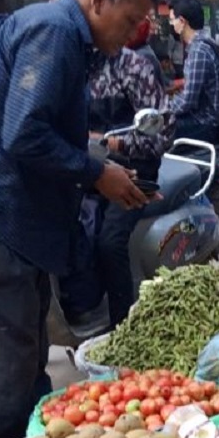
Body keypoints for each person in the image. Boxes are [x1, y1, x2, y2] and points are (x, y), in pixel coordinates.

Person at [0, 0, 156, 438]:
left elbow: (40, 131)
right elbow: (24, 133)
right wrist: (96, 172)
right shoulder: (55, 32)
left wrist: (99, 162)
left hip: (15, 235)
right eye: (130, 20)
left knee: (26, 375)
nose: (131, 36)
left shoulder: (65, 39)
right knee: (6, 389)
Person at [69, 19, 174, 329]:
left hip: (133, 169)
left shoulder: (134, 66)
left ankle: (123, 329)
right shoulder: (67, 69)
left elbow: (162, 132)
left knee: (109, 243)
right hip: (84, 168)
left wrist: (116, 141)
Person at [167, 0, 219, 143]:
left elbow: (187, 100)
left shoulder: (199, 50)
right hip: (202, 118)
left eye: (172, 20)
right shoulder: (201, 45)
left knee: (156, 132)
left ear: (183, 22)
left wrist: (163, 109)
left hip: (205, 122)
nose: (171, 24)